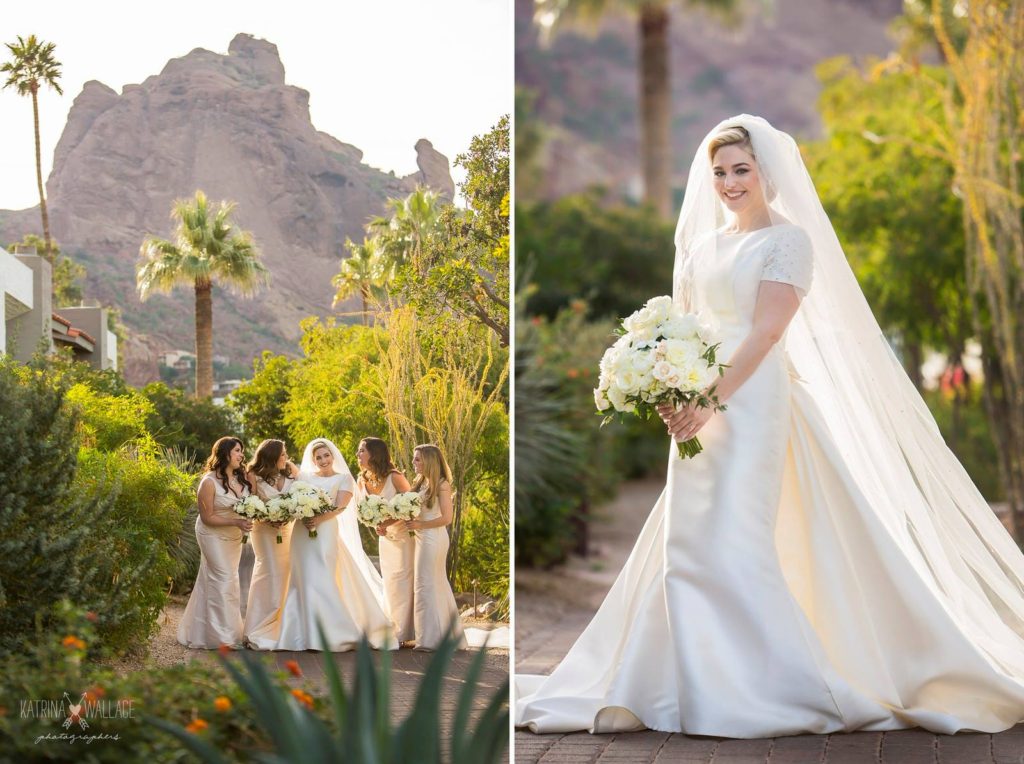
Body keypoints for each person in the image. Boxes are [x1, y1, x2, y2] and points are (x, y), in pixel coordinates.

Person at [515, 115, 1024, 737]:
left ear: (767, 174)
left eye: (741, 170)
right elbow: (687, 326)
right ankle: (695, 679)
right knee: (688, 542)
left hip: (750, 403)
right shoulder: (703, 246)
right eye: (720, 172)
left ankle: (758, 688)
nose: (729, 183)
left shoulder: (788, 241)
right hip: (695, 405)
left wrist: (710, 398)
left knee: (736, 535)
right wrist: (666, 386)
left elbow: (767, 331)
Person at [246, 438, 395, 651]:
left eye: (326, 455)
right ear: (313, 460)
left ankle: (329, 633)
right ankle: (300, 633)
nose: (323, 460)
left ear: (333, 456)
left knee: (323, 576)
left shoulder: (344, 479)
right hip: (301, 533)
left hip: (324, 532)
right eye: (318, 457)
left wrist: (318, 519)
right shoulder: (303, 476)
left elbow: (340, 507)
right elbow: (290, 498)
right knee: (301, 578)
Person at [178, 437, 252, 649]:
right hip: (211, 534)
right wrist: (236, 521)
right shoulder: (208, 482)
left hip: (233, 537)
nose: (241, 455)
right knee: (223, 579)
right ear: (225, 453)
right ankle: (223, 639)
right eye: (237, 451)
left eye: (241, 451)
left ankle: (207, 631)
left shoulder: (242, 478)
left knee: (225, 580)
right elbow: (208, 517)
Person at [391, 444, 467, 651]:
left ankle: (430, 640)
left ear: (429, 461)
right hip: (421, 537)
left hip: (434, 538)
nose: (414, 462)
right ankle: (440, 635)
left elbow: (447, 518)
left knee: (426, 584)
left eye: (418, 459)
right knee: (430, 584)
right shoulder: (420, 483)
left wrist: (420, 525)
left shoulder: (442, 484)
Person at [356, 437, 415, 645]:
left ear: (375, 453)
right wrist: (375, 524)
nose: (358, 455)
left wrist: (388, 521)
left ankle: (405, 632)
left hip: (403, 536)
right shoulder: (362, 480)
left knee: (404, 581)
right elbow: (362, 510)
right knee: (390, 582)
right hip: (385, 538)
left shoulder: (395, 477)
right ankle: (394, 628)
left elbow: (413, 507)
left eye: (362, 450)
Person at [242, 439, 298, 641]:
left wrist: (290, 514)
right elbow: (252, 503)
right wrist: (267, 517)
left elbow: (302, 493)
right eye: (282, 454)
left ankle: (281, 627)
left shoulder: (290, 470)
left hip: (288, 529)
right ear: (272, 457)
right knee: (268, 571)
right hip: (264, 530)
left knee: (286, 573)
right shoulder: (253, 475)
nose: (286, 457)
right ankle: (257, 627)